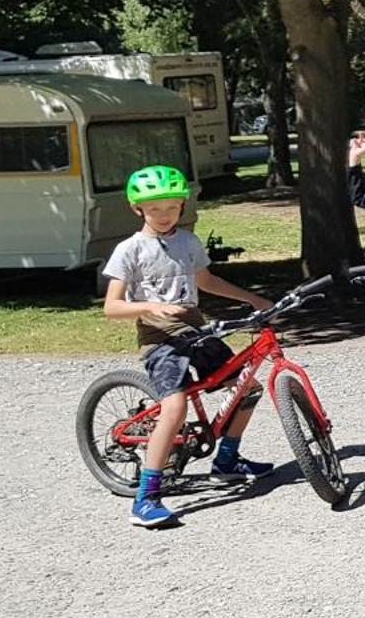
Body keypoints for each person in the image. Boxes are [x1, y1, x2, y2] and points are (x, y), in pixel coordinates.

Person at [101, 165, 275, 528]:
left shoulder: (187, 242)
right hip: (159, 337)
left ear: (182, 207)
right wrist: (149, 306)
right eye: (154, 209)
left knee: (247, 389)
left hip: (195, 329)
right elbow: (112, 306)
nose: (164, 216)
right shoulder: (129, 249)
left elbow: (206, 280)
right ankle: (146, 497)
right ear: (138, 210)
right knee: (175, 407)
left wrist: (253, 299)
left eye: (171, 208)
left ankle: (226, 461)